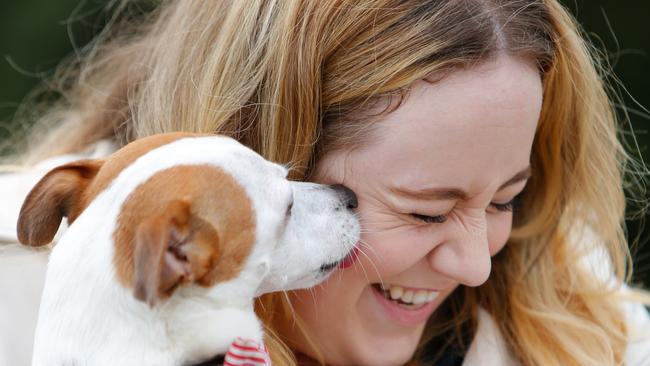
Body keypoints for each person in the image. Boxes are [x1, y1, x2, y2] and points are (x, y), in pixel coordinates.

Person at [1, 0, 649, 365]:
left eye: (507, 199)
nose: (477, 265)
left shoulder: (592, 339)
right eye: (425, 212)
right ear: (255, 152)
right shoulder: (17, 314)